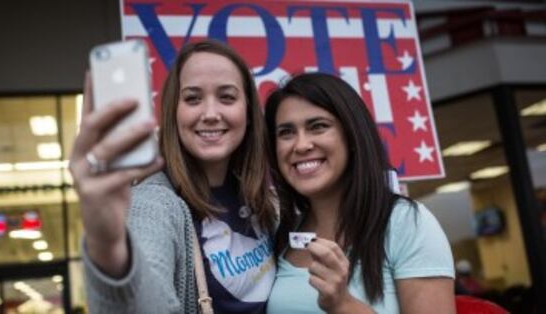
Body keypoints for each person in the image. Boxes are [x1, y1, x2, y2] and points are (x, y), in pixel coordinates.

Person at [69, 40, 277, 313]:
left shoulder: (266, 199)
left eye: (227, 97)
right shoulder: (154, 203)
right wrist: (108, 248)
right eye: (192, 98)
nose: (211, 114)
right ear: (173, 112)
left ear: (248, 112)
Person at [264, 73, 456, 314]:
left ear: (352, 135)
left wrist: (343, 304)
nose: (301, 145)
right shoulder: (279, 233)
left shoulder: (405, 222)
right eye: (286, 133)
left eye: (318, 126)